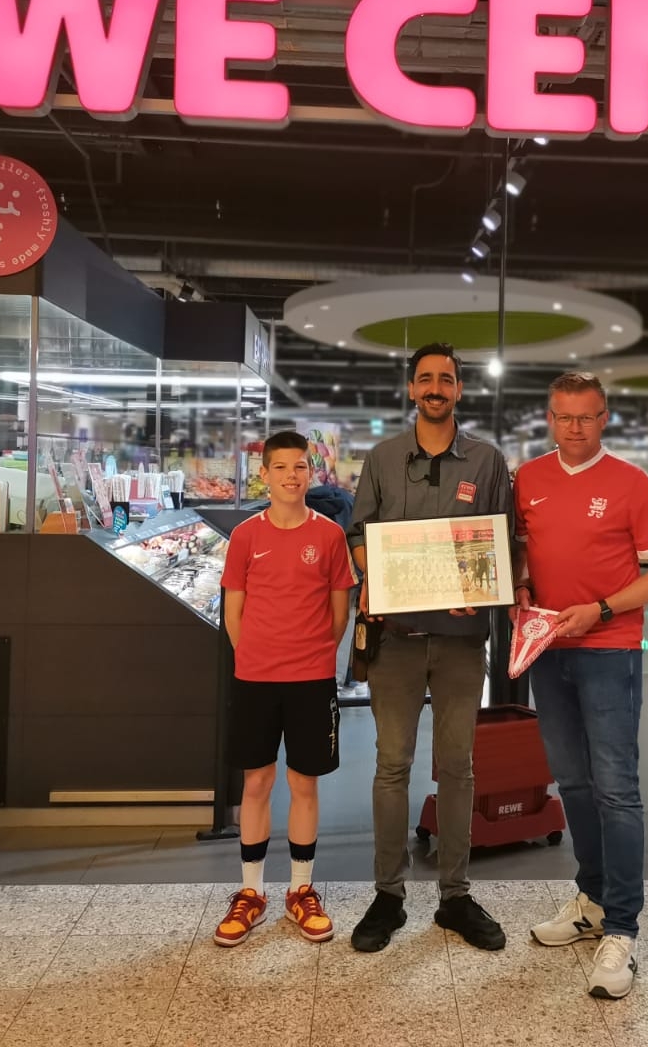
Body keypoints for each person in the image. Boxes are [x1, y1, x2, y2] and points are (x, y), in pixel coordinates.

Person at [514, 372, 648, 999]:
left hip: (609, 650)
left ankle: (622, 928)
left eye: (586, 417)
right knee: (573, 781)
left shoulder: (630, 482)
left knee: (616, 788)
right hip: (547, 649)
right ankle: (590, 899)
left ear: (604, 418)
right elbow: (522, 551)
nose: (574, 428)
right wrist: (522, 586)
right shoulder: (528, 478)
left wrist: (603, 609)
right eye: (563, 417)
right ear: (550, 418)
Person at [347, 342, 512, 954]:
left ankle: (455, 896)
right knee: (392, 765)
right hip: (395, 641)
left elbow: (501, 540)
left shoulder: (487, 461)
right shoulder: (384, 458)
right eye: (426, 379)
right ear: (412, 388)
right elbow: (359, 533)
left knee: (458, 767)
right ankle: (388, 895)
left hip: (462, 643)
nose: (436, 388)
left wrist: (486, 585)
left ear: (459, 390)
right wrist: (374, 577)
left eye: (446, 379)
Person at [215, 430, 356, 947]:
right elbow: (234, 609)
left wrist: (313, 655)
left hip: (311, 679)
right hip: (255, 678)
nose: (291, 476)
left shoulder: (330, 536)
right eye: (281, 467)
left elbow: (339, 613)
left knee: (304, 783)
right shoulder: (245, 536)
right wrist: (255, 656)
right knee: (256, 782)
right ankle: (251, 892)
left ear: (310, 473)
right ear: (265, 475)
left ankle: (301, 889)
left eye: (299, 467)